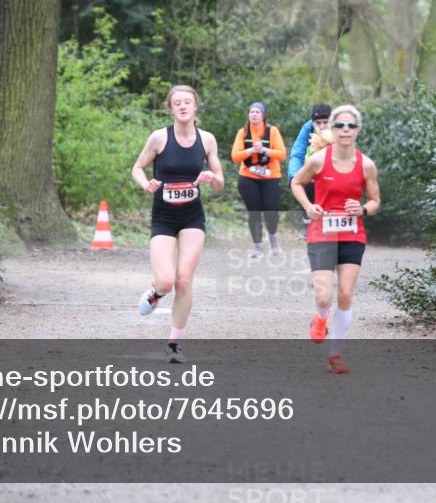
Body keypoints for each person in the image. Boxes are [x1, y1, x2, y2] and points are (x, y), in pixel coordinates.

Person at [132, 85, 224, 363]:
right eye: (178, 103)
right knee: (166, 281)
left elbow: (220, 184)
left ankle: (175, 343)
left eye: (188, 102)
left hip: (192, 217)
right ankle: (155, 292)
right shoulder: (159, 138)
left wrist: (211, 177)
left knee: (184, 280)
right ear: (170, 108)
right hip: (163, 216)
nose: (183, 106)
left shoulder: (207, 140)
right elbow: (137, 168)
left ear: (196, 106)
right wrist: (145, 183)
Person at [290, 105, 380, 374]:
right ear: (331, 128)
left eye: (350, 126)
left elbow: (375, 201)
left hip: (353, 234)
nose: (345, 130)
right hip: (322, 232)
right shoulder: (318, 160)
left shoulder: (366, 165)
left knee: (345, 294)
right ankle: (320, 316)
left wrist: (363, 209)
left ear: (357, 130)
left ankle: (336, 354)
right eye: (339, 125)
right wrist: (309, 206)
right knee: (323, 294)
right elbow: (296, 182)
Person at [231, 102, 287, 257]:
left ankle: (273, 239)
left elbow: (281, 154)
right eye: (251, 112)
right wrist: (250, 150)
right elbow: (235, 156)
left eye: (257, 112)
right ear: (248, 115)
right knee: (254, 212)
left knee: (271, 210)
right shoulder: (242, 132)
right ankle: (257, 246)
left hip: (271, 176)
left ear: (263, 115)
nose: (254, 115)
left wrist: (265, 150)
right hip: (248, 177)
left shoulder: (272, 131)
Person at [288, 104, 332, 207]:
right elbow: (298, 153)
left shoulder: (340, 129)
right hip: (312, 176)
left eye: (325, 122)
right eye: (318, 123)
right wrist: (294, 176)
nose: (321, 126)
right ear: (312, 122)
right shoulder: (307, 129)